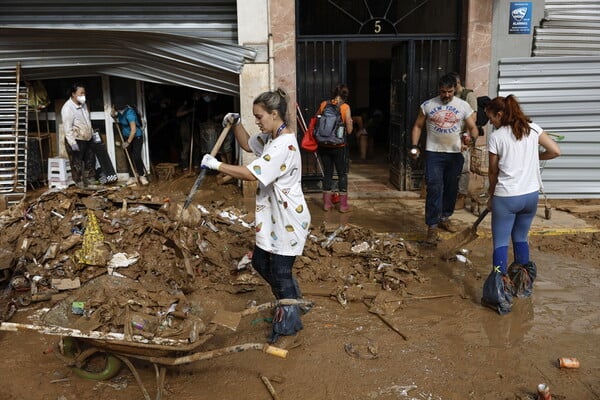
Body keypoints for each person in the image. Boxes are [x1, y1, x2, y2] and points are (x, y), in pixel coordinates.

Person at [200, 88, 311, 345]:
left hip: (287, 219)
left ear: (275, 114)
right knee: (261, 263)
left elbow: (253, 173)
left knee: (281, 272)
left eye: (259, 117)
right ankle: (292, 300)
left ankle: (289, 328)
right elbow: (246, 143)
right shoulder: (271, 138)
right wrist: (236, 123)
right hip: (273, 219)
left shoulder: (284, 143)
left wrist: (217, 165)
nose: (257, 121)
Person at [485, 95, 560, 310]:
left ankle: (499, 294)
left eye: (491, 118)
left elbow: (493, 171)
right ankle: (522, 286)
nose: (491, 123)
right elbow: (556, 151)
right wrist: (536, 158)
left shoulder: (497, 137)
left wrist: (491, 196)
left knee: (500, 243)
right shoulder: (533, 129)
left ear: (499, 114)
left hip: (507, 197)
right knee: (520, 238)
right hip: (530, 196)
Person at [409, 73, 479, 244]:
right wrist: (414, 145)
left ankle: (445, 217)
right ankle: (432, 226)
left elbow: (473, 128)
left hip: (455, 154)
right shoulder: (428, 105)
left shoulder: (463, 106)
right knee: (434, 187)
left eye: (449, 91)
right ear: (438, 90)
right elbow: (418, 126)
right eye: (443, 92)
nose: (446, 95)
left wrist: (470, 138)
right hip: (434, 153)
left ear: (455, 89)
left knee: (451, 188)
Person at [316, 84, 354, 212]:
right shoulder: (345, 107)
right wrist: (350, 124)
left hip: (323, 145)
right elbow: (348, 130)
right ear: (345, 95)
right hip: (339, 146)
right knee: (342, 174)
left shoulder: (323, 104)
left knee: (328, 173)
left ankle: (327, 204)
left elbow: (317, 121)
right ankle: (343, 206)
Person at [449, 72, 478, 210]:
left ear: (457, 84)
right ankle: (451, 195)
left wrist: (467, 137)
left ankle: (461, 196)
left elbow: (473, 118)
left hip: (463, 136)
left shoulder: (469, 96)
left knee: (464, 168)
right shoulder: (451, 96)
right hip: (450, 136)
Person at [61, 83, 96, 188]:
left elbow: (87, 120)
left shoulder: (83, 104)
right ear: (73, 94)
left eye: (84, 93)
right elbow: (67, 128)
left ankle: (91, 182)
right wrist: (72, 143)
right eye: (81, 93)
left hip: (87, 138)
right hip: (76, 140)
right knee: (77, 164)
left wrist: (91, 133)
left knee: (90, 161)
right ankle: (79, 185)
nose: (83, 95)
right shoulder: (68, 108)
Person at [112, 100, 149, 186]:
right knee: (128, 156)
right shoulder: (119, 110)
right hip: (125, 135)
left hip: (136, 136)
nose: (119, 111)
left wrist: (128, 142)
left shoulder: (130, 114)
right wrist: (113, 112)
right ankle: (132, 177)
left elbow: (133, 130)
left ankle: (142, 175)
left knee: (136, 156)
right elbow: (112, 113)